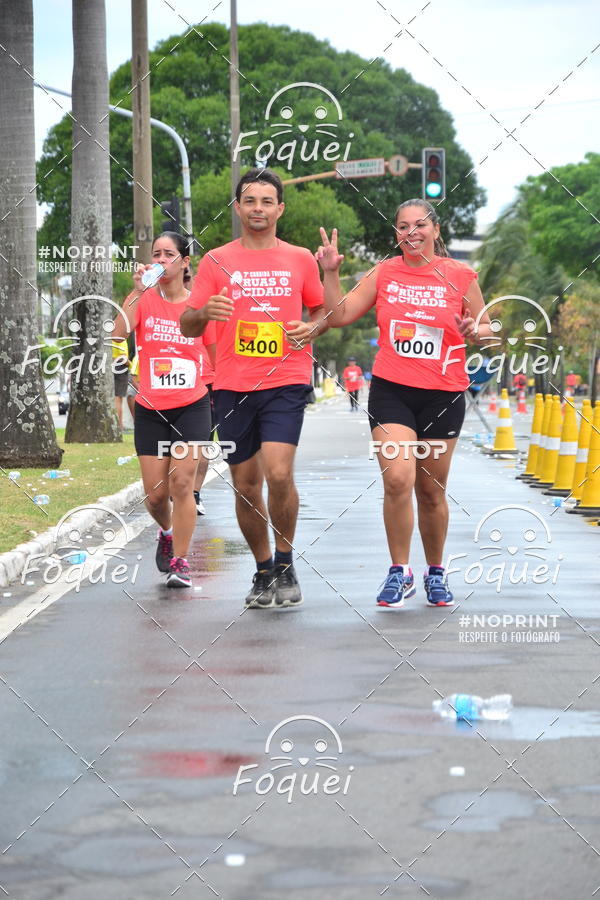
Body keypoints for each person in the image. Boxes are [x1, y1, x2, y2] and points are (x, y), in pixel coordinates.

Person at [316, 199, 493, 609]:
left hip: (443, 394)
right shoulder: (384, 272)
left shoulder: (459, 274)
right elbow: (339, 315)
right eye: (402, 226)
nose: (411, 233)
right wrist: (331, 273)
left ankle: (435, 572)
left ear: (435, 230)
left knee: (430, 491)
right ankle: (400, 570)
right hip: (392, 390)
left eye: (419, 225)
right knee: (397, 479)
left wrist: (475, 328)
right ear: (395, 233)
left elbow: (489, 327)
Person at [180, 167, 328, 609]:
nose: (258, 208)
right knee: (245, 484)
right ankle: (264, 568)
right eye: (250, 201)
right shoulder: (215, 261)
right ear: (238, 208)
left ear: (280, 209)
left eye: (267, 201)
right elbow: (188, 324)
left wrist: (312, 328)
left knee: (279, 473)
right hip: (232, 385)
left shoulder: (300, 258)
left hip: (286, 379)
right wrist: (204, 312)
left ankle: (285, 561)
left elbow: (323, 311)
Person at [113, 231, 215, 588]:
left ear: (185, 262)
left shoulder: (199, 305)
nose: (160, 260)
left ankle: (180, 561)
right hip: (151, 409)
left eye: (168, 254)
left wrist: (220, 391)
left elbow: (214, 352)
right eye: (155, 254)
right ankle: (167, 531)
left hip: (193, 405)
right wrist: (137, 291)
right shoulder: (144, 299)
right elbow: (117, 332)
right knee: (156, 496)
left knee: (182, 482)